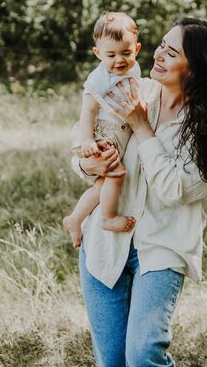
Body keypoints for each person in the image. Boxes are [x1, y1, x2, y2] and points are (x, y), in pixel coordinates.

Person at [71, 18, 207, 367]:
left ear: (195, 69)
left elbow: (175, 189)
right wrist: (90, 163)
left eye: (172, 52)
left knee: (143, 353)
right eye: (162, 44)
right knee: (113, 359)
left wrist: (141, 128)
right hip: (105, 243)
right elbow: (83, 146)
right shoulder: (135, 90)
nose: (159, 54)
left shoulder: (204, 126)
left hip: (161, 248)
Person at [64, 12, 142, 248]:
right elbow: (87, 111)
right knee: (116, 175)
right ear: (98, 53)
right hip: (99, 135)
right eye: (111, 55)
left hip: (112, 134)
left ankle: (75, 218)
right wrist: (88, 140)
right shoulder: (99, 78)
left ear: (136, 49)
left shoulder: (133, 70)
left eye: (126, 53)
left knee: (102, 185)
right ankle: (107, 218)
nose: (119, 60)